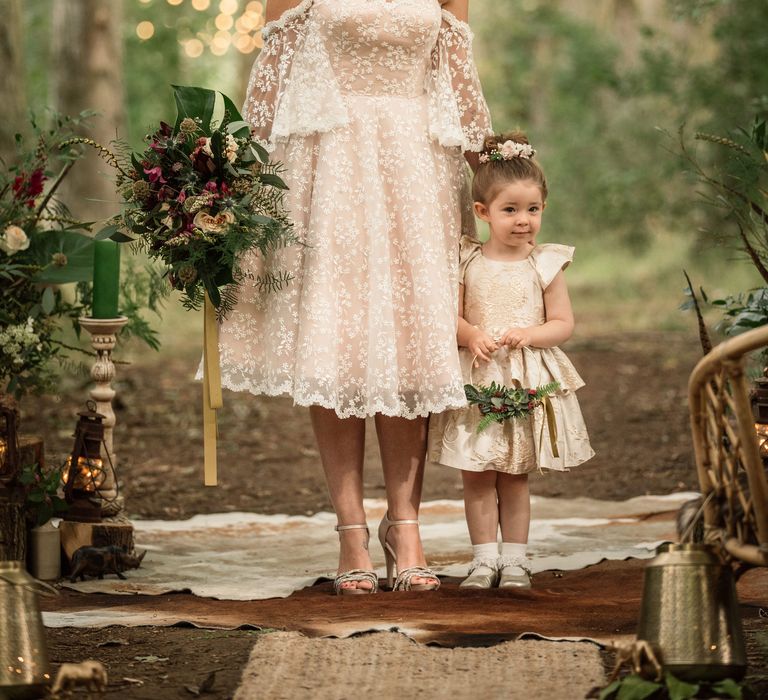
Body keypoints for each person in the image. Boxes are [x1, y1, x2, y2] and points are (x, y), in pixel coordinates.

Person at [217, 0, 493, 594]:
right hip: (328, 163)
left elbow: (459, 79)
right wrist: (229, 189)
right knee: (337, 341)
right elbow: (272, 78)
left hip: (419, 167)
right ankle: (351, 533)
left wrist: (497, 174)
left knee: (412, 338)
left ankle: (406, 527)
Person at [428, 132, 595, 589]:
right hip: (480, 379)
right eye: (510, 210)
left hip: (522, 380)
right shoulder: (467, 259)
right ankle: (484, 559)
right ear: (483, 212)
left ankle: (517, 560)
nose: (524, 221)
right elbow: (451, 317)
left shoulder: (545, 264)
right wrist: (470, 334)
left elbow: (562, 323)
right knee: (478, 474)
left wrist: (530, 334)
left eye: (533, 210)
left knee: (515, 474)